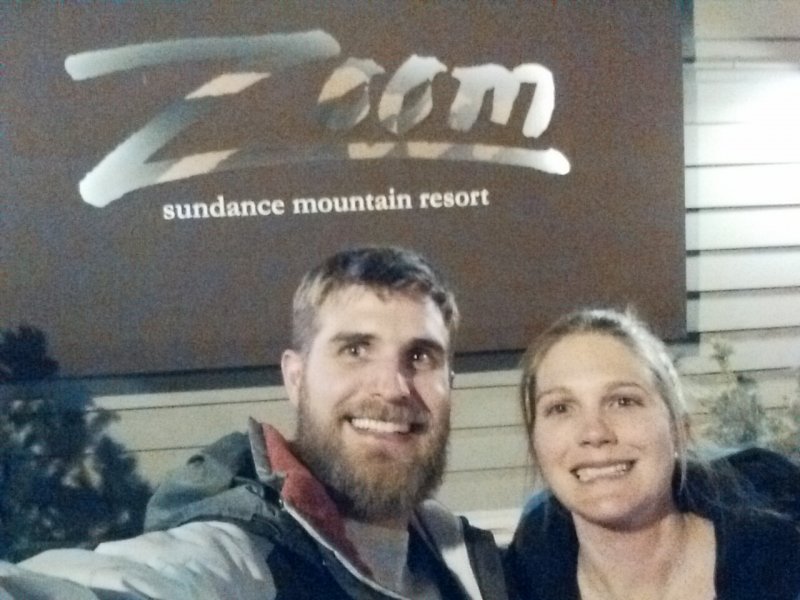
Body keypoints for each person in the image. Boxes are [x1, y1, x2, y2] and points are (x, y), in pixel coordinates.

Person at [0, 246, 508, 600]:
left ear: (450, 384)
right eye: (355, 349)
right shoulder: (245, 557)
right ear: (295, 377)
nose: (394, 386)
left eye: (420, 357)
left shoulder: (467, 558)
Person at [504, 307, 800, 600]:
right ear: (535, 443)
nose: (594, 433)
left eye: (623, 401)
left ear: (678, 427)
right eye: (560, 408)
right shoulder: (515, 585)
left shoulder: (784, 566)